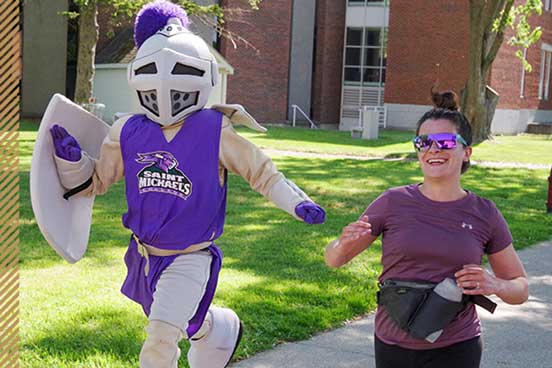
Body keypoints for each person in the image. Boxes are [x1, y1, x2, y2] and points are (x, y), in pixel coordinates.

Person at [49, 1, 325, 367]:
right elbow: (98, 181)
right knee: (183, 320)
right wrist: (72, 164)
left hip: (191, 257)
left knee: (161, 337)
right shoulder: (127, 130)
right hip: (144, 256)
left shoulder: (215, 131)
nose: (165, 87)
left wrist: (296, 202)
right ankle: (216, 330)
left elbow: (263, 174)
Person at [325, 89, 528, 368]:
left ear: (466, 152)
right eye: (423, 142)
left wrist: (495, 284)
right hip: (393, 343)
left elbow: (520, 288)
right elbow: (334, 259)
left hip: (457, 346)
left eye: (445, 142)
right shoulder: (392, 202)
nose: (433, 150)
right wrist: (342, 243)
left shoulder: (484, 212)